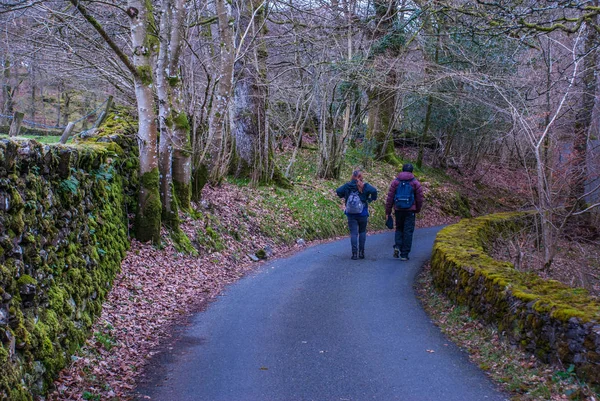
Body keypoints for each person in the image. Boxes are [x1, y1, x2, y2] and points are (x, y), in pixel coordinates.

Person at [336, 170, 378, 260]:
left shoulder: (348, 185)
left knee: (353, 233)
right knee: (362, 232)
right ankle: (361, 253)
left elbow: (338, 191)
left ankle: (354, 254)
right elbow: (374, 191)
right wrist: (370, 199)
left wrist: (345, 196)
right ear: (361, 177)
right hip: (363, 213)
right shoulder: (365, 186)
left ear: (352, 176)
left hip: (351, 213)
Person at [385, 163, 424, 261]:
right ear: (411, 171)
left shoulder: (396, 182)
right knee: (408, 231)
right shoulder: (415, 183)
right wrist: (417, 209)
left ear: (402, 170)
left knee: (399, 229)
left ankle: (397, 246)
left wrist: (388, 211)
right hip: (410, 210)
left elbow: (390, 198)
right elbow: (419, 198)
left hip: (398, 209)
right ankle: (404, 254)